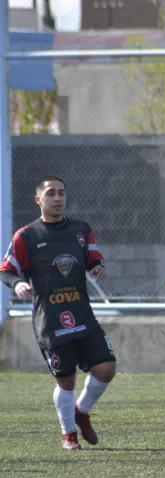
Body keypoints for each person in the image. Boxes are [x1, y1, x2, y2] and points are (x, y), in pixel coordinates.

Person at [0, 175, 116, 450]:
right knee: (66, 379)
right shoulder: (26, 236)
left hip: (82, 313)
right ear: (39, 200)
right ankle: (68, 435)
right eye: (51, 193)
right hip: (50, 319)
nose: (57, 198)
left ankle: (81, 411)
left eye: (61, 193)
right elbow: (6, 269)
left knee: (106, 368)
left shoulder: (81, 229)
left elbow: (93, 258)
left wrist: (98, 267)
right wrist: (18, 284)